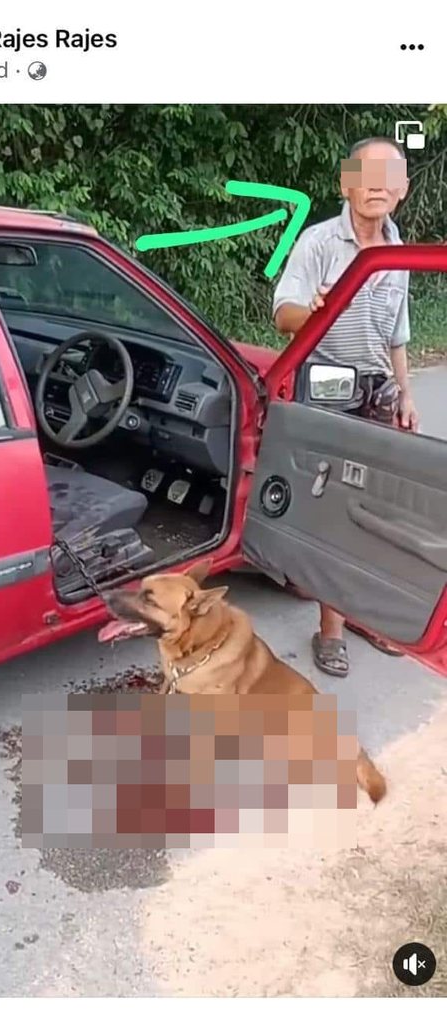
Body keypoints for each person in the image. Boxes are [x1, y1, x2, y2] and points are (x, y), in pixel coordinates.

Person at [272, 136, 419, 677]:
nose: (377, 182)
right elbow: (282, 314)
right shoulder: (317, 242)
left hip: (379, 387)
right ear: (346, 182)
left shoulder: (400, 250)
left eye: (389, 174)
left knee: (376, 511)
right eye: (366, 171)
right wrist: (311, 313)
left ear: (401, 189)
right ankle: (330, 629)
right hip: (326, 386)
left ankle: (363, 615)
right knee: (336, 510)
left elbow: (398, 334)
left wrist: (405, 392)